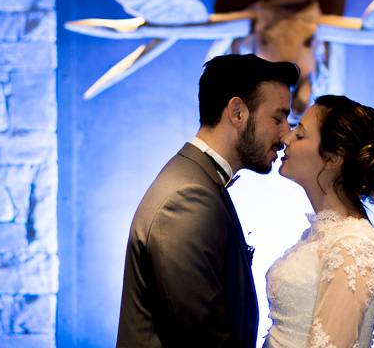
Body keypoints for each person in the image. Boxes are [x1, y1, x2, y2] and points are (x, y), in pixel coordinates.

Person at [117, 53, 300, 348]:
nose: (286, 135)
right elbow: (202, 338)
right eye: (278, 118)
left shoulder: (198, 182)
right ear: (237, 112)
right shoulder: (187, 199)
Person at [263, 94, 374, 348]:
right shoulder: (323, 233)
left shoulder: (354, 244)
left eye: (300, 134)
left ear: (333, 159)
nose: (286, 138)